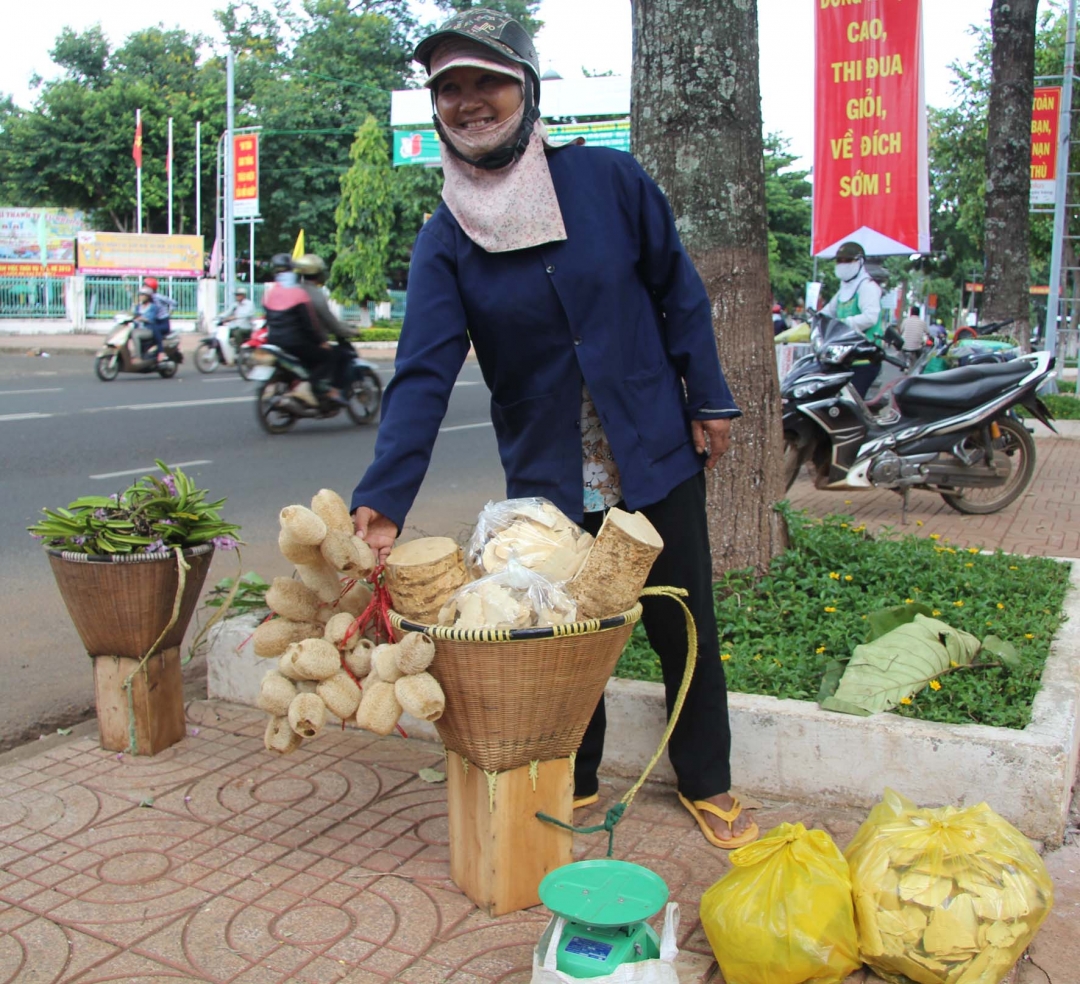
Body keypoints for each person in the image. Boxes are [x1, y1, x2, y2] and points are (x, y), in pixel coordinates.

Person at [350, 10, 757, 850]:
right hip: (546, 472)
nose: (469, 103)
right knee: (566, 632)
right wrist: (384, 499)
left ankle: (708, 780)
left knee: (682, 617)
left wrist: (708, 397)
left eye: (486, 82)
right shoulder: (445, 239)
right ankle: (574, 778)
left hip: (648, 444)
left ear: (525, 88)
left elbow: (676, 289)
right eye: (449, 89)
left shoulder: (609, 182)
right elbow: (423, 374)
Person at [262, 253, 333, 406]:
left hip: (274, 341)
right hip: (296, 343)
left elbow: (268, 319)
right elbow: (310, 325)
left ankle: (273, 386)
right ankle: (306, 386)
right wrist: (321, 342)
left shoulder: (270, 293)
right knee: (327, 357)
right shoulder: (299, 294)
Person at [820, 240, 884, 396]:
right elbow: (827, 312)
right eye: (839, 261)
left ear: (860, 262)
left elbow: (870, 317)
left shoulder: (867, 287)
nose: (842, 264)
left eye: (848, 260)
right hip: (845, 356)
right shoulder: (844, 289)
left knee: (851, 402)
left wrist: (843, 324)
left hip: (865, 358)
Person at [293, 253, 353, 401]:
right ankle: (330, 390)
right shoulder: (316, 295)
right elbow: (331, 323)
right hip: (311, 342)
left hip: (291, 340)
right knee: (339, 355)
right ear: (319, 273)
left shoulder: (294, 291)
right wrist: (350, 331)